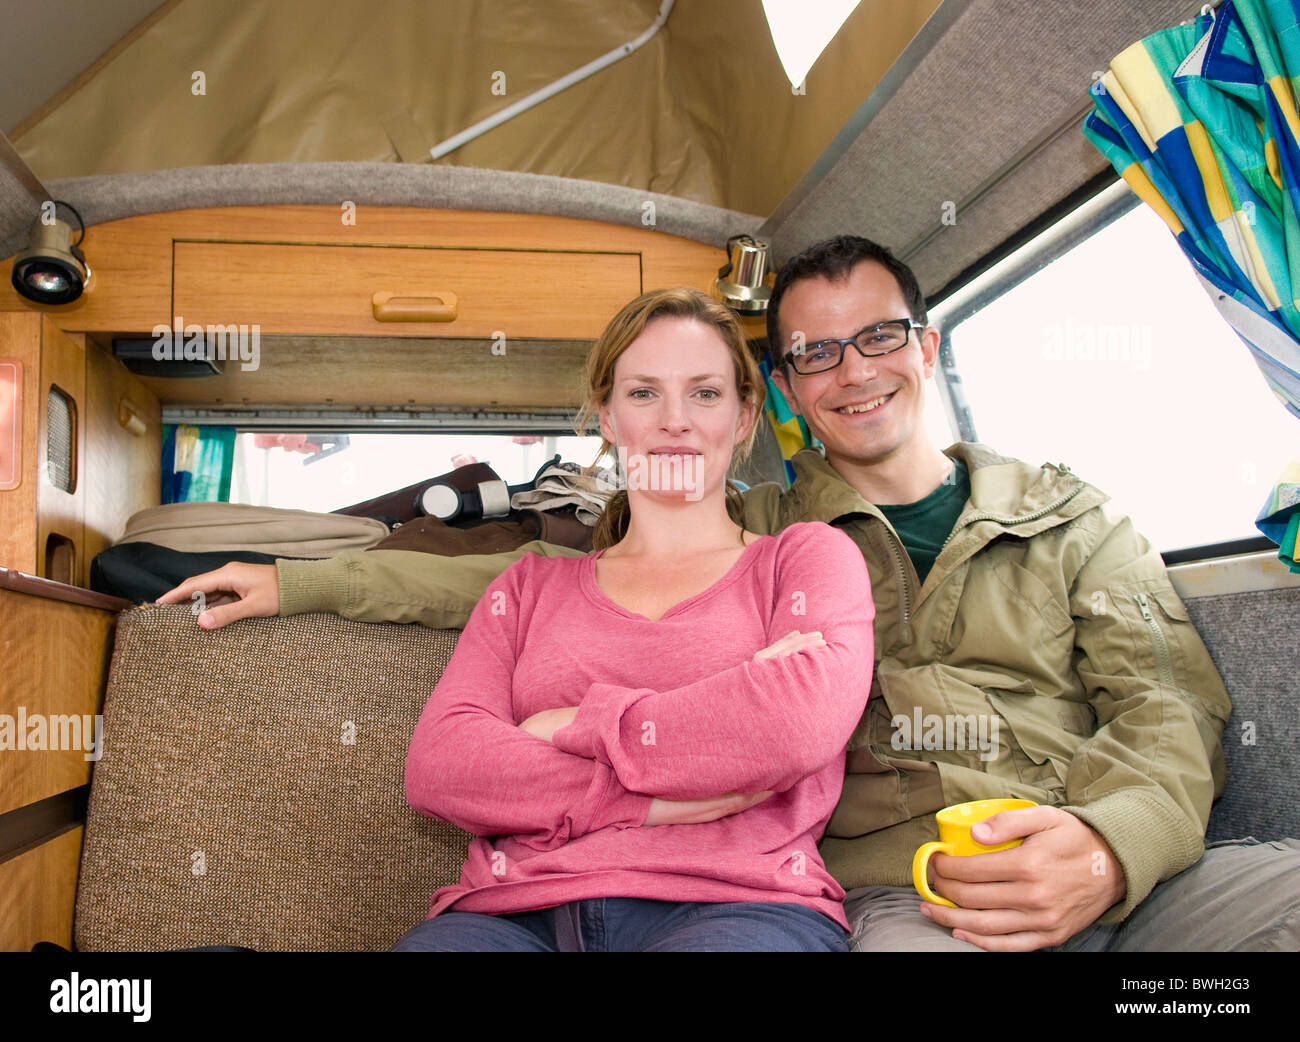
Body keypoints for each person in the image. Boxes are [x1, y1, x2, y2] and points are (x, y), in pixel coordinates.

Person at [160, 237, 1300, 952]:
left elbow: (1169, 707)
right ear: (789, 395)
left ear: (925, 342)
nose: (854, 370)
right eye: (815, 353)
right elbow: (502, 589)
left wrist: (1108, 845)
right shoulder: (757, 531)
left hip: (1109, 848)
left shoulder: (1070, 514)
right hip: (915, 885)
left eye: (879, 336)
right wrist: (300, 576)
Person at [401, 288, 872, 951]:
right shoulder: (529, 585)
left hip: (739, 908)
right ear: (607, 418)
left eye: (705, 393)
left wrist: (569, 725)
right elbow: (443, 767)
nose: (674, 420)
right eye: (644, 393)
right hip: (511, 913)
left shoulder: (806, 560)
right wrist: (648, 797)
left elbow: (792, 726)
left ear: (743, 417)